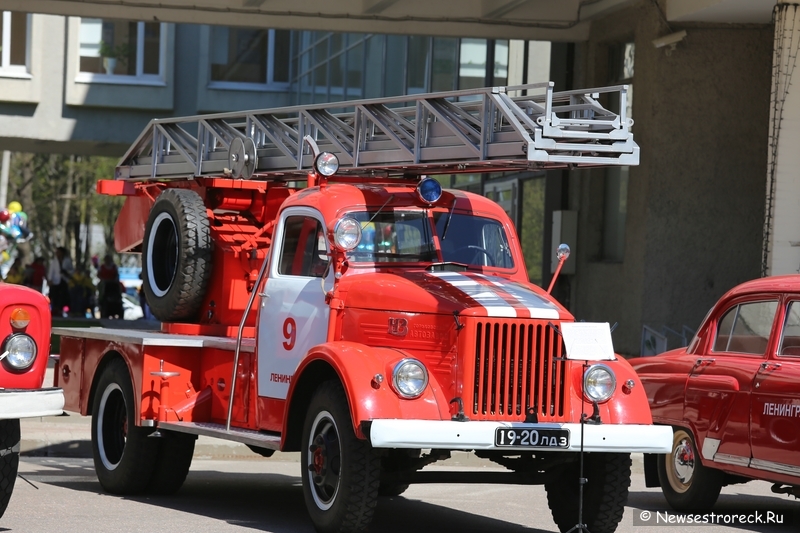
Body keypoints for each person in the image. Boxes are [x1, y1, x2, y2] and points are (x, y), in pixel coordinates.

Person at [47, 246, 74, 317]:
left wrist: (66, 272)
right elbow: (51, 271)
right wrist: (50, 280)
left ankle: (64, 310)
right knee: (55, 295)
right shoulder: (54, 261)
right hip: (55, 281)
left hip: (64, 280)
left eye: (59, 252)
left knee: (64, 296)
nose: (57, 253)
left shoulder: (67, 260)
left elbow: (71, 271)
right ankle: (55, 310)